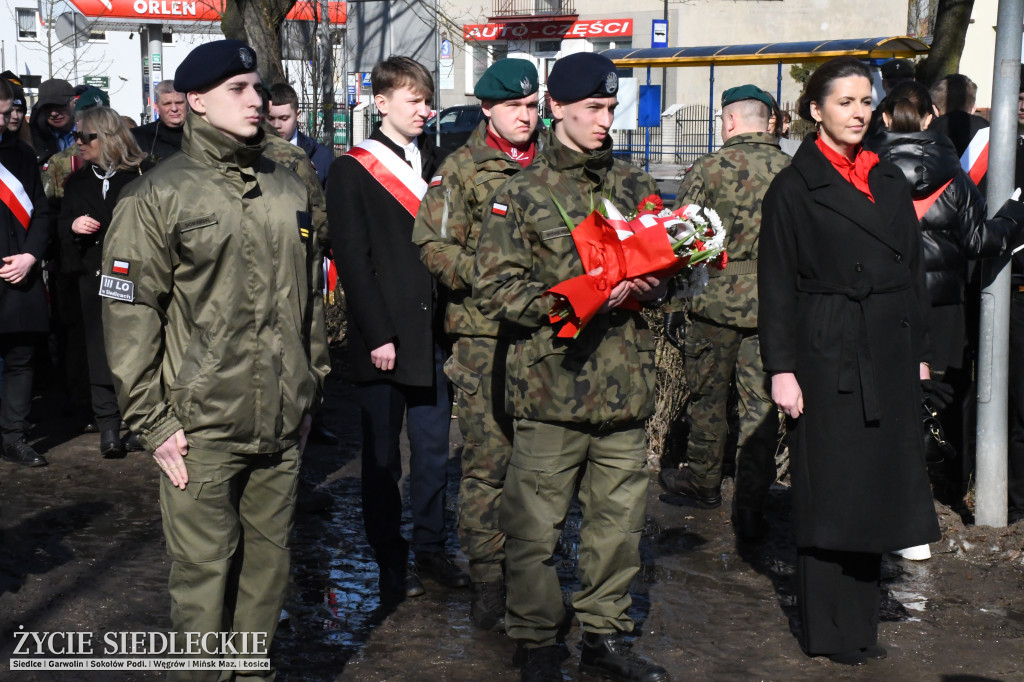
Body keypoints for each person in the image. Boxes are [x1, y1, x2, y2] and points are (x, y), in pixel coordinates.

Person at [100, 40, 330, 679]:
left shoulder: (287, 187)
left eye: (257, 88)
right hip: (199, 427)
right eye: (238, 90)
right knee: (203, 578)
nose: (256, 100)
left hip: (283, 423)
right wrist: (152, 420)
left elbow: (310, 297)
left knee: (267, 570)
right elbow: (128, 313)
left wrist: (311, 386)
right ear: (196, 102)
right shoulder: (157, 196)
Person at [474, 52, 669, 682]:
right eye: (592, 109)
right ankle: (534, 638)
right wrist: (576, 296)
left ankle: (605, 637)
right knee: (534, 527)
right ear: (556, 107)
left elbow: (669, 275)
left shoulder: (633, 184)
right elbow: (496, 290)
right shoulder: (519, 195)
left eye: (611, 109)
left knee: (617, 527)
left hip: (625, 387)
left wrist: (650, 289)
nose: (605, 120)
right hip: (550, 386)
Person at [758, 56, 940, 665]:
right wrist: (780, 368)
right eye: (845, 102)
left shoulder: (888, 179)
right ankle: (828, 631)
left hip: (887, 350)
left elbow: (913, 272)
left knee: (876, 492)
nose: (859, 112)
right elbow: (776, 284)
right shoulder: (792, 187)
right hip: (826, 351)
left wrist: (918, 354)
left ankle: (862, 628)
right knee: (831, 492)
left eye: (867, 101)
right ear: (816, 110)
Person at [326, 55, 468, 603]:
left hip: (433, 334)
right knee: (383, 460)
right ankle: (390, 560)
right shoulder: (351, 169)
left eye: (428, 102)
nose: (426, 111)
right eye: (415, 102)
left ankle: (432, 547)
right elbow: (354, 260)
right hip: (381, 340)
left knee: (433, 454)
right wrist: (379, 333)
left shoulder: (438, 161)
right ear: (381, 103)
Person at [411, 58, 540, 630]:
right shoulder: (460, 169)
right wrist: (496, 278)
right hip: (485, 335)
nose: (526, 117)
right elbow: (433, 248)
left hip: (546, 333)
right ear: (487, 109)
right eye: (513, 107)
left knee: (541, 462)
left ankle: (532, 568)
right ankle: (488, 577)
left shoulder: (554, 164)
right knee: (490, 464)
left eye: (533, 106)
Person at [867, 81, 1024, 531]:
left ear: (883, 118)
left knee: (883, 391)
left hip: (882, 301)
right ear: (932, 118)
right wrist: (1014, 216)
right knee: (945, 398)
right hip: (944, 307)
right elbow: (980, 241)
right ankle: (945, 489)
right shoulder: (952, 174)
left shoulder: (867, 170)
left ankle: (886, 488)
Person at [658, 85, 790, 540]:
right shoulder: (793, 170)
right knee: (761, 406)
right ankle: (751, 502)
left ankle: (703, 482)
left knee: (707, 399)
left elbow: (681, 240)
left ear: (730, 121)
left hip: (712, 300)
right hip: (774, 306)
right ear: (768, 121)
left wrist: (675, 304)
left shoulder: (709, 169)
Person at [59, 106, 148, 459]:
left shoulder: (141, 176)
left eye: (86, 136)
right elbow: (61, 225)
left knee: (137, 350)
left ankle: (141, 423)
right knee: (97, 351)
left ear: (108, 137)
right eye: (76, 136)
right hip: (92, 276)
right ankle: (108, 426)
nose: (78, 142)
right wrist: (72, 226)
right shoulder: (78, 181)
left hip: (135, 277)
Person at [0, 77, 49, 467]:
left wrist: (31, 256)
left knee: (21, 357)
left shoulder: (22, 155)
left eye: (7, 113)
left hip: (19, 272)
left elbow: (42, 213)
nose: (5, 120)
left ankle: (13, 436)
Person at [268, 82, 334, 188]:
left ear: (297, 115)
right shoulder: (253, 154)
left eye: (284, 118)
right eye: (270, 118)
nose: (277, 125)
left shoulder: (321, 157)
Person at [131, 80, 186, 164]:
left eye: (179, 103)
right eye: (167, 104)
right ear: (157, 107)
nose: (174, 109)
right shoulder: (139, 137)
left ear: (188, 104)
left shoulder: (201, 133)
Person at [29, 78, 77, 166]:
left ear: (74, 102)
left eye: (59, 106)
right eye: (47, 107)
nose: (53, 113)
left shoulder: (93, 134)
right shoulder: (33, 139)